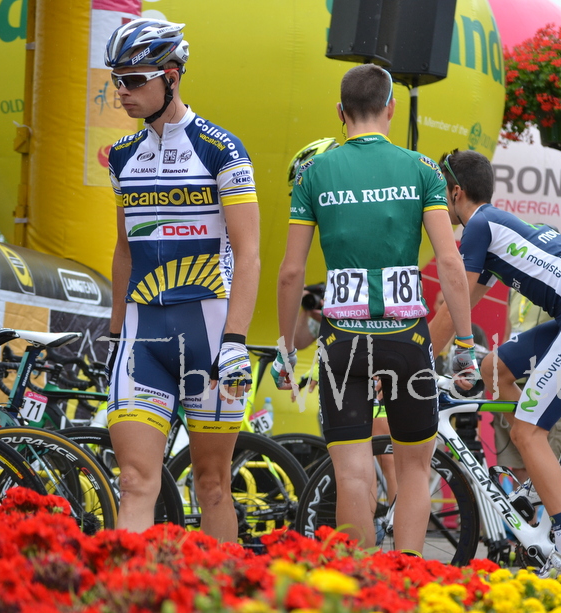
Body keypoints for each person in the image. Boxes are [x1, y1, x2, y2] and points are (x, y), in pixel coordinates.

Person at [273, 63, 479, 555]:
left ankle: (360, 589)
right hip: (406, 337)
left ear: (340, 113)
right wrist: (466, 344)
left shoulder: (314, 173)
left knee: (352, 475)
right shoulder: (423, 170)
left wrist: (285, 348)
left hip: (342, 341)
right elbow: (450, 262)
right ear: (391, 108)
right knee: (412, 473)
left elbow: (289, 273)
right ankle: (406, 585)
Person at [104, 19, 260, 541]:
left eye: (134, 80)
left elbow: (250, 251)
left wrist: (236, 339)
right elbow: (125, 248)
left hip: (212, 336)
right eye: (116, 80)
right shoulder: (123, 157)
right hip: (143, 336)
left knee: (212, 485)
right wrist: (113, 328)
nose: (122, 91)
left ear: (172, 75)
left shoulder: (222, 149)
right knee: (133, 481)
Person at [428, 149, 561, 577]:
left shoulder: (478, 225)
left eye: (442, 194)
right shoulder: (496, 225)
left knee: (524, 430)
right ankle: (539, 481)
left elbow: (448, 310)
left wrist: (415, 359)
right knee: (493, 370)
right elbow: (462, 305)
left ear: (456, 192)